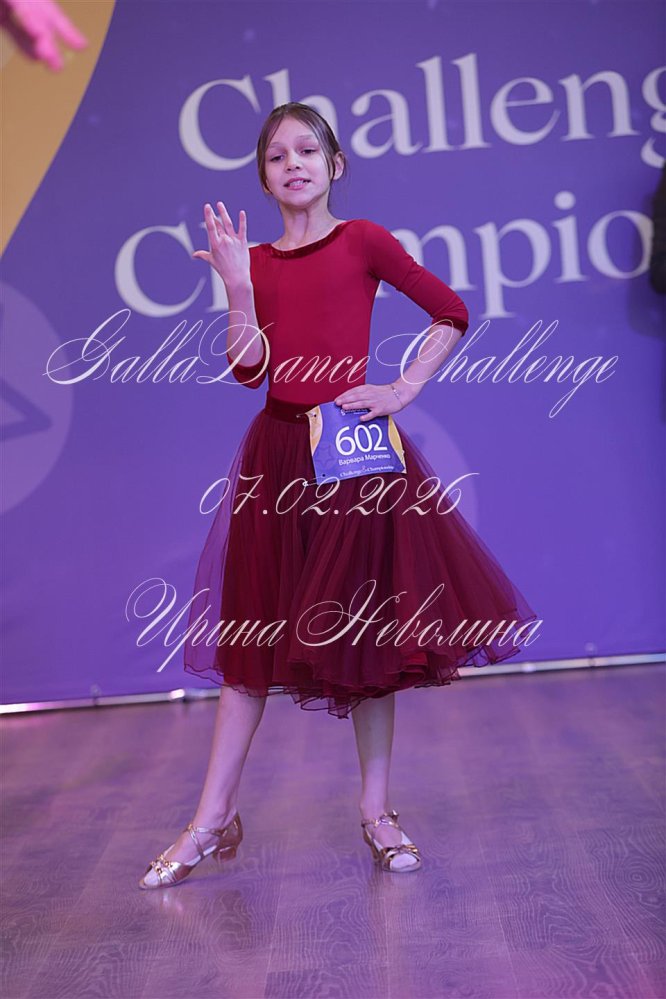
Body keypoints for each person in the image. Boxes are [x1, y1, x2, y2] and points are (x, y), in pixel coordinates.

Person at [139, 102, 537, 888]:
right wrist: (237, 286)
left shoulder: (364, 240)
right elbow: (249, 370)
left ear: (335, 165)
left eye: (307, 151)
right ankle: (211, 819)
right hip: (279, 457)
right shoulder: (255, 260)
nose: (293, 164)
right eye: (277, 155)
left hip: (354, 458)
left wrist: (403, 387)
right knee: (249, 643)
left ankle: (377, 811)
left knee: (371, 641)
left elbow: (452, 310)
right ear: (263, 177)